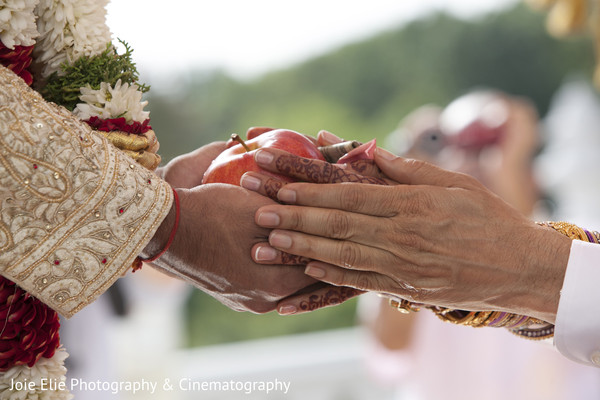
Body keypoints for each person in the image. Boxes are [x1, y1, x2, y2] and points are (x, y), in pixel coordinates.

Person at [239, 111, 600, 367]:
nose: (470, 160)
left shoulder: (583, 228)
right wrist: (404, 190)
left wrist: (509, 182)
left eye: (485, 147)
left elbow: (542, 254)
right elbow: (391, 340)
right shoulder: (406, 250)